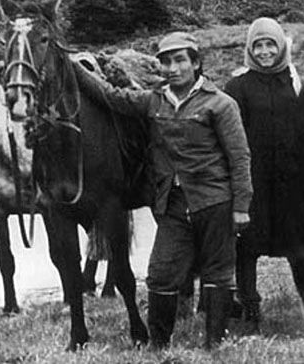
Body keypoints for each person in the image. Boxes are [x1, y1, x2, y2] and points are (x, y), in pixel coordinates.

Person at [71, 31, 252, 349]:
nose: (173, 68)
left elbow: (239, 157)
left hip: (214, 200)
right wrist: (73, 68)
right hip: (172, 203)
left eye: (180, 60)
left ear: (196, 63)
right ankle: (158, 344)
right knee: (160, 274)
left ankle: (214, 343)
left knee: (218, 273)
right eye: (166, 62)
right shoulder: (153, 100)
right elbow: (112, 96)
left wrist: (241, 206)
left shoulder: (221, 104)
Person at [224, 17, 304, 333]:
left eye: (271, 45)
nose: (265, 52)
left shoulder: (297, 86)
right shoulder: (236, 87)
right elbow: (230, 139)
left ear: (281, 47)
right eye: (259, 45)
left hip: (291, 184)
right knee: (247, 248)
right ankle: (250, 312)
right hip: (252, 183)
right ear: (250, 49)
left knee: (298, 248)